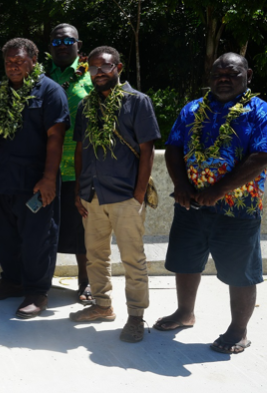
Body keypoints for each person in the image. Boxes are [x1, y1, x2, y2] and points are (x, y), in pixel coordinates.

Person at [156, 53, 265, 354]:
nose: (224, 78)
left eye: (232, 73)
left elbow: (261, 157)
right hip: (191, 203)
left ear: (248, 76)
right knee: (185, 261)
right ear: (210, 76)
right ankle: (184, 313)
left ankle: (238, 331)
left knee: (240, 272)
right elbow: (174, 148)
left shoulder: (259, 111)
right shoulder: (192, 109)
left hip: (238, 209)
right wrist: (181, 185)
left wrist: (218, 190)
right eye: (218, 73)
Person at [69, 46, 160, 343]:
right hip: (92, 195)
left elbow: (147, 151)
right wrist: (79, 191)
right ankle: (102, 305)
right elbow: (80, 149)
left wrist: (138, 194)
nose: (99, 73)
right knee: (96, 256)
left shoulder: (138, 102)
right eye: (94, 68)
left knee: (133, 259)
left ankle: (136, 315)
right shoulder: (85, 106)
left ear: (118, 68)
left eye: (105, 67)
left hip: (125, 197)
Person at [0, 38, 69, 318]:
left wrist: (48, 178)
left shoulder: (50, 91)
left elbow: (55, 137)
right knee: (5, 236)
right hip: (4, 178)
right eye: (9, 62)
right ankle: (12, 280)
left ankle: (37, 291)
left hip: (36, 181)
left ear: (33, 61)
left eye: (20, 61)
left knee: (38, 238)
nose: (13, 66)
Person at [45, 23, 94, 304]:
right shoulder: (39, 77)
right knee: (44, 228)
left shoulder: (93, 75)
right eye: (56, 41)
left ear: (79, 45)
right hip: (48, 169)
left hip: (83, 168)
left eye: (68, 40)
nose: (62, 44)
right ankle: (39, 280)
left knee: (84, 230)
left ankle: (87, 282)